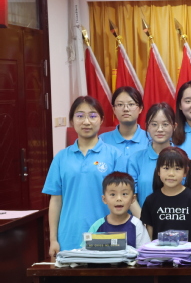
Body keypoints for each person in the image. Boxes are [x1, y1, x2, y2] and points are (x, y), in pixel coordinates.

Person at [43, 96, 126, 257]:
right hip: (69, 237)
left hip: (105, 236)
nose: (86, 121)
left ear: (101, 120)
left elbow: (125, 198)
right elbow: (56, 200)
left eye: (92, 116)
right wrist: (53, 239)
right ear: (72, 121)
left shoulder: (115, 156)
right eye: (80, 116)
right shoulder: (61, 158)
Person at [140, 146, 191, 243]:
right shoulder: (151, 200)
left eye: (177, 169)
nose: (171, 173)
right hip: (158, 252)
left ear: (185, 172)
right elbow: (149, 234)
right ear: (158, 171)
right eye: (166, 168)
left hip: (186, 252)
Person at [127, 102, 176, 216]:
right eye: (154, 124)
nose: (160, 129)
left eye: (165, 124)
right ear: (147, 127)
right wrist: (145, 222)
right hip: (144, 222)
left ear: (174, 126)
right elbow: (131, 197)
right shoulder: (135, 160)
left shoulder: (183, 159)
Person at [87, 171, 150, 248]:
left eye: (124, 194)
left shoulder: (137, 225)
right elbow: (87, 250)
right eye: (113, 194)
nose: (119, 199)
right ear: (104, 199)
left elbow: (145, 253)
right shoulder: (97, 226)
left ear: (133, 198)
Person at [99, 86, 148, 156]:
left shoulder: (151, 140)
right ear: (114, 109)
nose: (126, 109)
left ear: (140, 108)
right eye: (120, 104)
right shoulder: (102, 140)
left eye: (131, 104)